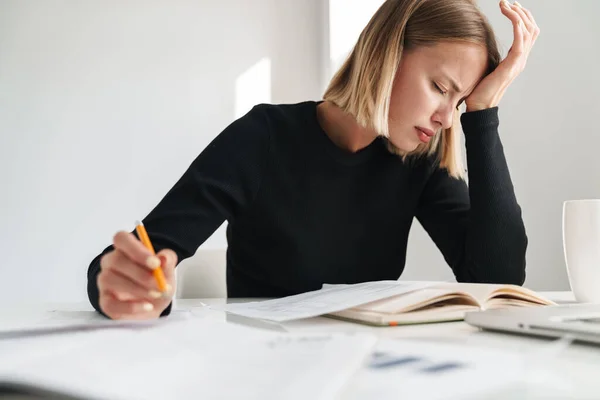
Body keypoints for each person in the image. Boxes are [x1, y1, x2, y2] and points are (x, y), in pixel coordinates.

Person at [87, 0, 540, 320]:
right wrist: (132, 285)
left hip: (365, 373)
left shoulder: (415, 160)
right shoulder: (262, 138)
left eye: (459, 102)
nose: (445, 118)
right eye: (441, 87)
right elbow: (129, 258)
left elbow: (496, 278)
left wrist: (483, 115)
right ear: (384, 54)